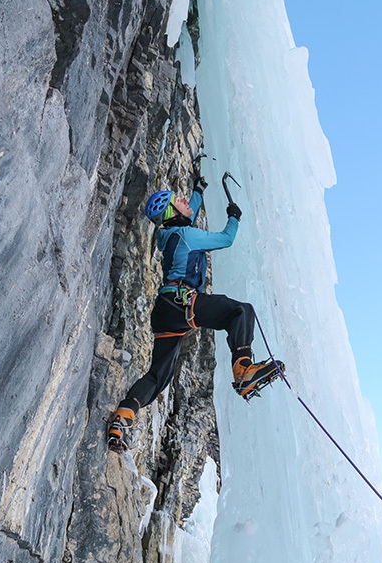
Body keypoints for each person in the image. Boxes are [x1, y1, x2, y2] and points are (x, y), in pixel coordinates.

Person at [108, 176, 285, 452]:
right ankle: (243, 371)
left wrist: (198, 192)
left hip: (166, 312)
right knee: (240, 311)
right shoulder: (186, 235)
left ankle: (123, 417)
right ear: (172, 212)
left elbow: (186, 214)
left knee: (157, 378)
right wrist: (233, 217)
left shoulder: (170, 235)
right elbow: (226, 239)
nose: (183, 201)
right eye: (177, 200)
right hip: (183, 304)